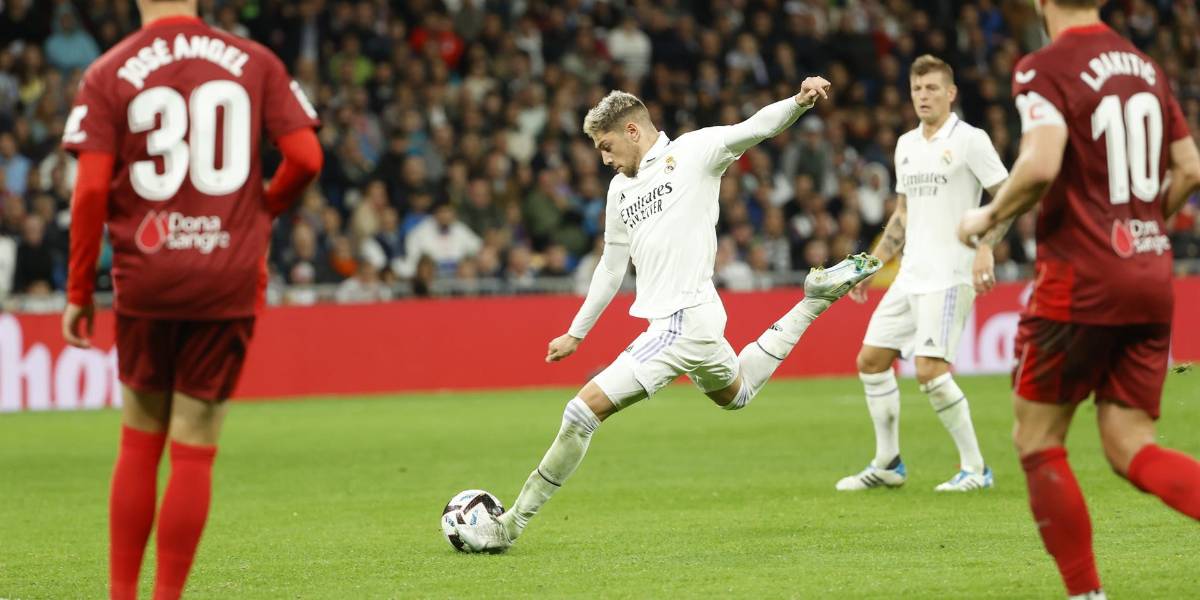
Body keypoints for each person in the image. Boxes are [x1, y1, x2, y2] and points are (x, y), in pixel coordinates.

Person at [453, 80, 882, 553]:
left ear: (633, 130)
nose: (604, 159)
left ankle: (509, 526)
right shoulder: (619, 191)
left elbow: (753, 128)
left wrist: (799, 104)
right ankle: (814, 301)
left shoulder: (695, 153)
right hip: (692, 322)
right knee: (736, 394)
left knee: (580, 412)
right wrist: (577, 333)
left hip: (683, 319)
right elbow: (611, 266)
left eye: (606, 146)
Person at [59, 2, 323, 598]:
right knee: (195, 444)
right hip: (226, 273)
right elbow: (307, 157)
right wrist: (264, 207)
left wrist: (79, 290)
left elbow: (92, 188)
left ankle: (121, 593)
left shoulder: (108, 71)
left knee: (139, 434)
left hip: (147, 274)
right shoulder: (255, 61)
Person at [958, 1, 1200, 598]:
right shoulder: (1144, 66)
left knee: (1037, 439)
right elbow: (1190, 168)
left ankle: (1087, 595)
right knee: (1128, 444)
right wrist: (1144, 230)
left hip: (1081, 279)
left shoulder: (1045, 66)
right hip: (1150, 275)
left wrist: (988, 217)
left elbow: (1041, 163)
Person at [838, 55, 1009, 492]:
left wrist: (985, 248)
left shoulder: (971, 140)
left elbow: (1007, 197)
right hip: (909, 274)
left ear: (951, 93)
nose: (923, 96)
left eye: (932, 88)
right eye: (917, 89)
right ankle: (888, 462)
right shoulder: (906, 145)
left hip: (951, 274)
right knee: (871, 362)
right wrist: (870, 266)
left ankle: (975, 469)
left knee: (931, 371)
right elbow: (903, 214)